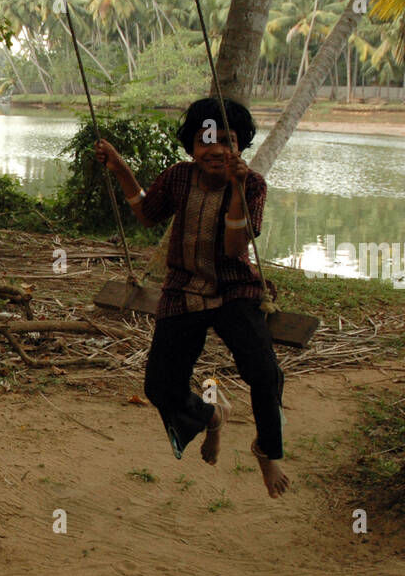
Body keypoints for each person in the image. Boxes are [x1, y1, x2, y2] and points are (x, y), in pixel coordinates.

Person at [95, 97, 290, 498]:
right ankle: (212, 416)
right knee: (160, 388)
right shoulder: (179, 178)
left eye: (227, 140)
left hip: (234, 289)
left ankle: (266, 450)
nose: (216, 149)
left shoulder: (251, 184)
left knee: (264, 373)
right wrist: (120, 168)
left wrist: (236, 188)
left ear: (240, 146)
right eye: (206, 140)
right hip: (183, 288)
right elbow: (148, 214)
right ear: (191, 146)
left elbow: (236, 249)